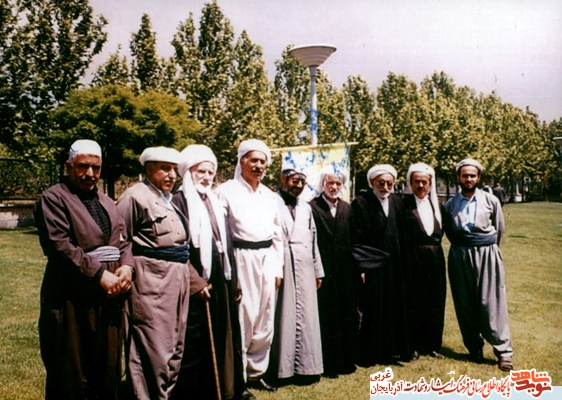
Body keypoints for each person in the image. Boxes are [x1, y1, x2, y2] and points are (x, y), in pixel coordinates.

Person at [34, 139, 134, 399]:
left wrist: (127, 267)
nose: (90, 173)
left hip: (108, 297)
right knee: (72, 371)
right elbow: (60, 246)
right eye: (82, 166)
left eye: (95, 168)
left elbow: (123, 241)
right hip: (71, 297)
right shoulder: (53, 199)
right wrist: (99, 274)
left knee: (107, 368)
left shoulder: (107, 202)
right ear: (68, 166)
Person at [116, 146, 207, 399]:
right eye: (165, 169)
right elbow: (121, 242)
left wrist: (195, 282)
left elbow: (179, 248)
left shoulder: (168, 199)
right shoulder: (134, 197)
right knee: (153, 348)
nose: (171, 175)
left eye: (174, 170)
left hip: (176, 283)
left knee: (174, 348)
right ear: (148, 169)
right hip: (150, 284)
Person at [170, 144, 244, 400]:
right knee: (195, 340)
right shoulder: (179, 202)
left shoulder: (214, 201)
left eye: (211, 172)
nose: (206, 177)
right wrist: (196, 283)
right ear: (188, 172)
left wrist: (235, 280)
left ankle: (224, 389)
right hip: (195, 283)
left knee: (223, 334)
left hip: (220, 280)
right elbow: (179, 248)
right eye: (201, 171)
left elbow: (227, 244)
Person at [216, 139, 283, 397]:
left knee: (265, 320)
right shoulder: (226, 191)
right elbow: (221, 234)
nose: (258, 165)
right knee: (245, 317)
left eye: (262, 161)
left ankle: (257, 373)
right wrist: (231, 272)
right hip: (241, 257)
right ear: (241, 161)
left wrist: (277, 269)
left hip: (267, 258)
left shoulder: (269, 195)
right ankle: (238, 378)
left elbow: (277, 235)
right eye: (253, 160)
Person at [443, 158, 514, 371]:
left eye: (472, 176)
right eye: (465, 175)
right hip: (460, 255)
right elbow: (450, 232)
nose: (469, 179)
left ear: (478, 177)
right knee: (464, 303)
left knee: (491, 302)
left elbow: (499, 229)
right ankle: (474, 347)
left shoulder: (491, 201)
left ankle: (503, 351)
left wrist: (487, 250)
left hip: (487, 254)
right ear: (459, 177)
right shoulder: (450, 205)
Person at [350, 164, 413, 366]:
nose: (385, 187)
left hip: (395, 265)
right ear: (372, 183)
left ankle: (393, 350)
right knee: (374, 308)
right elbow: (357, 237)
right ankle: (371, 352)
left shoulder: (397, 202)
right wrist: (362, 267)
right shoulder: (361, 203)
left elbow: (403, 234)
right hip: (373, 266)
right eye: (381, 183)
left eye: (389, 184)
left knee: (395, 306)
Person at [270, 163, 324, 384]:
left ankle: (307, 367)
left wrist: (318, 271)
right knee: (283, 316)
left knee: (307, 317)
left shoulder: (306, 208)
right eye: (294, 180)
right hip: (281, 264)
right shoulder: (270, 202)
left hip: (304, 266)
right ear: (283, 179)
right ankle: (282, 370)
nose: (299, 185)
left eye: (302, 181)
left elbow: (313, 239)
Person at [309, 164, 358, 377]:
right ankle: (329, 363)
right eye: (331, 183)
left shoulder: (347, 208)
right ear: (323, 184)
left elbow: (354, 240)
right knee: (327, 316)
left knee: (346, 314)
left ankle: (347, 360)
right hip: (324, 271)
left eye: (338, 183)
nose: (334, 187)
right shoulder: (312, 207)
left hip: (345, 271)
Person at [403, 163, 446, 359]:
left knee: (435, 299)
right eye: (417, 182)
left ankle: (433, 344)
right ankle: (413, 345)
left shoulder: (438, 205)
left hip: (435, 258)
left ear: (430, 184)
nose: (421, 186)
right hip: (413, 257)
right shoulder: (403, 205)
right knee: (414, 300)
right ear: (410, 183)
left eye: (424, 182)